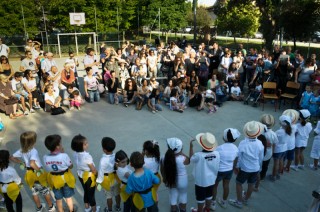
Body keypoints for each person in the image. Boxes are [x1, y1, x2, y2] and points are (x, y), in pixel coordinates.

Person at [10, 131, 55, 212]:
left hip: (29, 174)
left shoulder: (21, 150)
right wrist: (39, 170)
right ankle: (51, 206)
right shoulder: (34, 151)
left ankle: (39, 207)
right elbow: (32, 163)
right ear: (32, 142)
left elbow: (12, 157)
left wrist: (21, 162)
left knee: (34, 192)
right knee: (45, 191)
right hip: (37, 173)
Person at [229, 121, 264, 209]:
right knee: (251, 184)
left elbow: (239, 156)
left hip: (245, 168)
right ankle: (246, 199)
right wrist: (259, 167)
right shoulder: (260, 144)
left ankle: (239, 202)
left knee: (238, 183)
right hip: (255, 168)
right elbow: (261, 157)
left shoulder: (243, 143)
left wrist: (236, 166)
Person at [43, 134, 76, 212]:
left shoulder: (45, 157)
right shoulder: (64, 156)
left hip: (54, 180)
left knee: (58, 198)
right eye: (60, 143)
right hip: (65, 178)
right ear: (57, 146)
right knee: (68, 197)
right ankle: (71, 210)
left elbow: (48, 168)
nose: (61, 144)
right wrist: (63, 153)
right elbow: (71, 166)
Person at [189, 133, 220, 212]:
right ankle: (207, 209)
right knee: (209, 195)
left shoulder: (198, 155)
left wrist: (191, 146)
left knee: (200, 198)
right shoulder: (217, 153)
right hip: (211, 180)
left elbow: (191, 158)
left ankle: (199, 210)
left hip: (201, 182)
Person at [212, 128, 240, 209]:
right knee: (226, 185)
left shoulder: (219, 148)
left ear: (224, 137)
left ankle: (213, 203)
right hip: (229, 170)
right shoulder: (235, 148)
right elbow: (236, 159)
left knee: (215, 186)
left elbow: (215, 159)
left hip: (219, 170)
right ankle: (224, 202)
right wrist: (234, 167)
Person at [71, 134, 99, 212]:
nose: (87, 144)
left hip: (80, 174)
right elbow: (93, 169)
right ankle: (94, 210)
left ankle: (87, 207)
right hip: (89, 176)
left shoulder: (75, 153)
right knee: (91, 194)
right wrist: (97, 176)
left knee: (86, 191)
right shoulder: (87, 156)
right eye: (86, 143)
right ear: (81, 146)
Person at [161, 138, 189, 212]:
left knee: (173, 195)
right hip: (182, 180)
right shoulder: (183, 158)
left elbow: (162, 169)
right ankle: (183, 209)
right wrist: (181, 153)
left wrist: (164, 178)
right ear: (180, 149)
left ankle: (173, 209)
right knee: (183, 194)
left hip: (170, 179)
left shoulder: (164, 157)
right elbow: (189, 161)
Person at [96, 137, 121, 212]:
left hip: (107, 180)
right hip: (116, 178)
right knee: (117, 194)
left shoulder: (103, 160)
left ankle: (109, 209)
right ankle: (118, 207)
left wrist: (98, 183)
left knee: (109, 196)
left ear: (104, 149)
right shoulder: (116, 156)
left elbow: (100, 172)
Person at [254, 115, 278, 190]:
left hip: (258, 154)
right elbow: (275, 143)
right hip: (268, 154)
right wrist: (273, 152)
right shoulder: (273, 134)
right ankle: (262, 177)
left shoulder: (258, 132)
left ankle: (255, 177)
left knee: (257, 166)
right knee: (265, 166)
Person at [269, 115, 292, 181]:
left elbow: (273, 139)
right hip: (284, 148)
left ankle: (273, 176)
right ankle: (278, 173)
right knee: (281, 161)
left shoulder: (279, 132)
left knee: (276, 163)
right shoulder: (289, 130)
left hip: (278, 149)